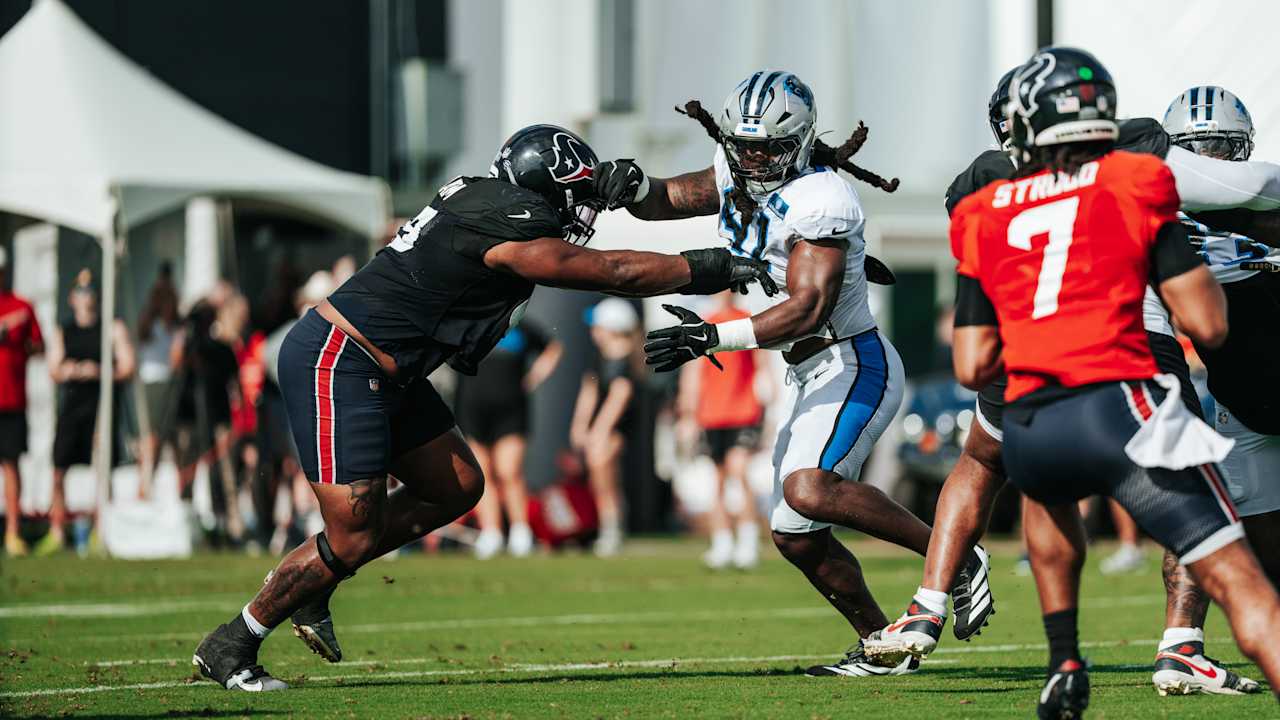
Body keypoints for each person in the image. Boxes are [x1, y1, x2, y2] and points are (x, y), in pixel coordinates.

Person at [191, 123, 775, 692]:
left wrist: (617, 186)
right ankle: (233, 642)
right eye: (574, 198)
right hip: (341, 358)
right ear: (541, 192)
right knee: (351, 536)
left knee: (456, 486)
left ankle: (319, 579)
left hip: (387, 368)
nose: (581, 213)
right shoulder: (505, 222)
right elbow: (611, 270)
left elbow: (581, 222)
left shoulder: (490, 198)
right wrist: (713, 266)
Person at [869, 62, 1280, 697]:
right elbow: (1206, 320)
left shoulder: (984, 200)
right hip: (1128, 367)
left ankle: (1058, 657)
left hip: (1030, 381)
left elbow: (970, 360)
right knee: (1229, 556)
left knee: (1027, 486)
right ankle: (1182, 647)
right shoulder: (1132, 175)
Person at [602, 69, 976, 677]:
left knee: (809, 490)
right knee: (794, 533)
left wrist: (713, 337)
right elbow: (664, 200)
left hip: (853, 361)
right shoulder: (734, 172)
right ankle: (880, 644)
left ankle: (955, 555)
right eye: (744, 146)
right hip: (805, 371)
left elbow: (808, 309)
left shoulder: (823, 197)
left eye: (768, 148)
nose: (753, 160)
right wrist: (622, 183)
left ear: (799, 142)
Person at [1162, 88, 1280, 592]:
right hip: (1241, 396)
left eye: (1221, 148)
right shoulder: (1156, 217)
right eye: (1196, 150)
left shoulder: (1266, 199)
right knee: (1257, 541)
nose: (1209, 162)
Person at [41, 269, 135, 556]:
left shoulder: (112, 327)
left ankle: (100, 529)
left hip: (102, 405)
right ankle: (57, 530)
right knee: (59, 467)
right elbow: (53, 368)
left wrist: (99, 371)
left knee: (102, 468)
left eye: (90, 291)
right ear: (72, 298)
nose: (86, 297)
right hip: (72, 405)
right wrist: (70, 370)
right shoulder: (65, 330)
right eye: (81, 292)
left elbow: (128, 366)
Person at [677, 290, 770, 569]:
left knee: (739, 471)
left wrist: (767, 401)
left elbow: (762, 366)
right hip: (710, 414)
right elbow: (693, 373)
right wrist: (688, 414)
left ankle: (748, 540)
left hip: (743, 410)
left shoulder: (747, 321)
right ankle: (722, 542)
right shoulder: (705, 323)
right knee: (716, 480)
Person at [455, 317, 562, 558]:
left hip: (511, 410)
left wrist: (534, 377)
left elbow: (553, 348)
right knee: (482, 473)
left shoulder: (519, 325)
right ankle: (491, 532)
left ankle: (520, 532)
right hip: (472, 408)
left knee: (510, 471)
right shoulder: (466, 323)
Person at [568, 298, 639, 557]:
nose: (593, 331)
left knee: (606, 480)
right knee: (600, 481)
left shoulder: (625, 359)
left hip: (613, 430)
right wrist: (579, 426)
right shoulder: (600, 357)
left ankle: (612, 529)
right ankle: (609, 527)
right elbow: (589, 391)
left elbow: (620, 396)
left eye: (598, 326)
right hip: (600, 429)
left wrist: (599, 431)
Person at [0, 246, 43, 555]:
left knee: (11, 466)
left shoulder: (22, 306)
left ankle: (13, 532)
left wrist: (18, 340)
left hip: (12, 400)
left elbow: (39, 346)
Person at [135, 261, 181, 496]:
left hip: (158, 379)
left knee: (162, 435)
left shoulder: (166, 320)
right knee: (152, 435)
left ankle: (152, 483)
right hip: (156, 380)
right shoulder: (156, 318)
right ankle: (145, 483)